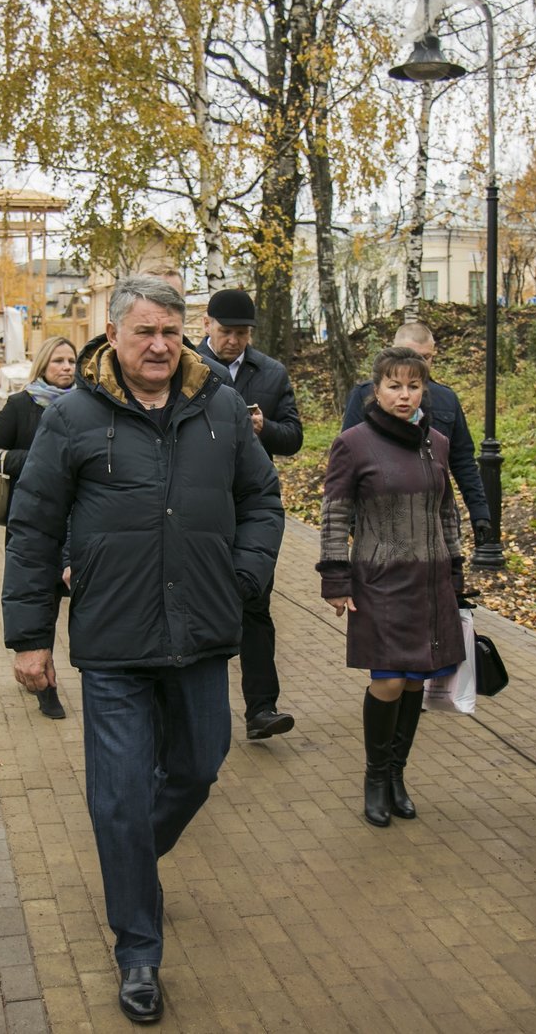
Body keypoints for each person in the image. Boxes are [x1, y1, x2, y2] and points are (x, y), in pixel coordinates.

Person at [2, 276, 283, 1024]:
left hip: (199, 633)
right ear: (114, 336)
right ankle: (138, 953)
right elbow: (32, 529)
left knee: (198, 765)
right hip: (116, 641)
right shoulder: (73, 418)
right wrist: (31, 637)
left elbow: (261, 499)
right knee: (120, 798)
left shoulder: (219, 407)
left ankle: (130, 865)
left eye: (170, 331)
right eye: (144, 332)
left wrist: (246, 576)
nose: (159, 346)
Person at [320, 346, 467, 827]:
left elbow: (446, 512)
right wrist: (335, 578)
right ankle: (375, 777)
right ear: (375, 390)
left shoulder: (437, 443)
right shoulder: (354, 444)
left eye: (413, 386)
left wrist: (455, 571)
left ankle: (398, 775)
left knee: (415, 681)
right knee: (388, 680)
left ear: (424, 389)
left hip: (430, 580)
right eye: (394, 385)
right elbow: (336, 513)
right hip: (380, 580)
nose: (404, 395)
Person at [198, 288, 304, 741]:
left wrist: (265, 428)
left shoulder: (271, 373)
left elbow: (295, 436)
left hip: (250, 505)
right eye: (227, 332)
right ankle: (201, 713)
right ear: (206, 325)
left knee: (255, 605)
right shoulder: (185, 366)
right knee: (202, 605)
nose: (235, 341)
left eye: (243, 334)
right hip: (198, 503)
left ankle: (262, 709)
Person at [0, 336, 79, 719]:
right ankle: (46, 686)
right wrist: (38, 462)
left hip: (77, 520)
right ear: (43, 365)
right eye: (58, 360)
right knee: (44, 603)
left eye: (71, 360)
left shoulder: (84, 407)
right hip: (34, 519)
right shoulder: (20, 405)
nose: (66, 367)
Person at [342, 321, 491, 553]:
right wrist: (354, 522)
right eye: (411, 355)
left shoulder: (446, 400)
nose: (419, 364)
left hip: (435, 524)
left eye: (426, 357)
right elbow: (346, 464)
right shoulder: (364, 397)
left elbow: (463, 461)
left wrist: (480, 512)